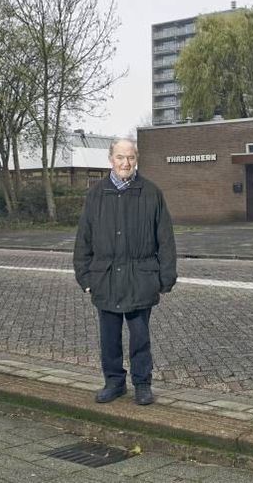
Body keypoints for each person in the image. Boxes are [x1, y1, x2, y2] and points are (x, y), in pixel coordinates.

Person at [73, 137, 177, 405]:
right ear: (111, 159)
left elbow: (165, 237)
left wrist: (165, 277)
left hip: (141, 278)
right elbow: (83, 238)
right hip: (105, 277)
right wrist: (84, 277)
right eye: (120, 157)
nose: (125, 163)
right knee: (109, 338)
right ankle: (114, 382)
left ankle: (142, 383)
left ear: (136, 159)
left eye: (130, 157)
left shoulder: (151, 193)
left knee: (140, 337)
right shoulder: (96, 194)